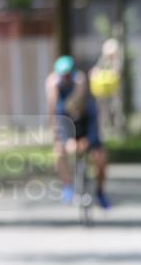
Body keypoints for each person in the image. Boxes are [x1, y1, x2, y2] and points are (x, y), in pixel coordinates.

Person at [45, 55, 111, 209]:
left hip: (87, 135)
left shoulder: (89, 105)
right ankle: (68, 186)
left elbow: (95, 129)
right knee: (59, 152)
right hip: (70, 134)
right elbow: (59, 123)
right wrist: (67, 140)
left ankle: (100, 192)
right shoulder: (56, 92)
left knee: (101, 160)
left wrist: (88, 141)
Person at [89, 38, 124, 135]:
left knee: (115, 110)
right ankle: (103, 132)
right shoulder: (102, 60)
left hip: (114, 92)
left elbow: (116, 73)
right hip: (102, 92)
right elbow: (96, 69)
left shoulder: (117, 61)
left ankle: (117, 132)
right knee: (102, 112)